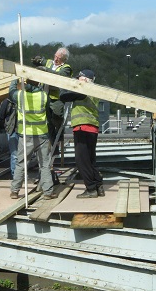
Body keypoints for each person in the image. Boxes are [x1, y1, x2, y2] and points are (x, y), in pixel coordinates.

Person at [9, 78, 57, 200]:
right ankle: (48, 192)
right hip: (42, 135)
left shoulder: (20, 95)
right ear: (39, 83)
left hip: (25, 134)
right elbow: (49, 114)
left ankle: (14, 191)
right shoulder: (44, 96)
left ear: (26, 82)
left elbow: (11, 92)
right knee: (45, 164)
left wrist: (15, 79)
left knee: (21, 163)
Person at [60, 69, 104, 198]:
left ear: (85, 79)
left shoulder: (84, 89)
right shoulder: (95, 90)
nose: (77, 79)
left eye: (79, 77)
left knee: (81, 161)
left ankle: (91, 189)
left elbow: (63, 96)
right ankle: (98, 186)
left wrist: (68, 83)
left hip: (82, 127)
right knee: (90, 160)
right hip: (92, 127)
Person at [31, 47, 73, 151]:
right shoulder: (50, 62)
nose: (56, 59)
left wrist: (46, 70)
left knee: (57, 116)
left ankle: (59, 134)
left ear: (64, 59)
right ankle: (52, 142)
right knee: (48, 122)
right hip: (45, 95)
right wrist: (37, 60)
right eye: (55, 56)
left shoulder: (66, 68)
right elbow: (42, 62)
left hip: (57, 97)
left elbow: (60, 76)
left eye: (59, 58)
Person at [0, 97, 19, 178]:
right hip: (18, 131)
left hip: (13, 131)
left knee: (15, 154)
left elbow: (1, 116)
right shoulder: (24, 98)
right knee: (20, 154)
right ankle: (18, 176)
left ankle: (16, 176)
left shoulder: (7, 101)